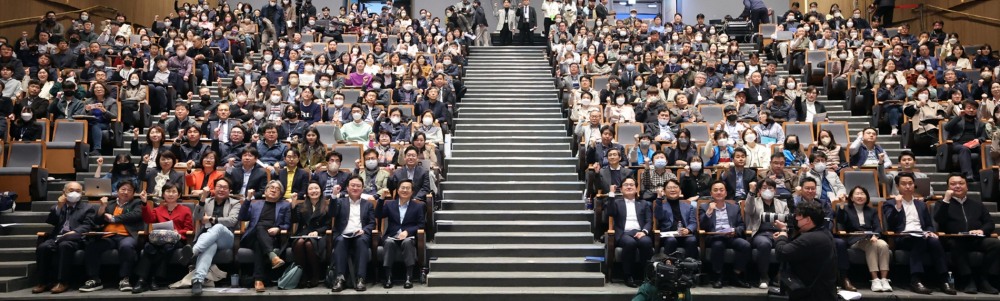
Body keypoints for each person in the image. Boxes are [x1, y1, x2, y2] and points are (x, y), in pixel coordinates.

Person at [883, 172, 956, 295]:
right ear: (897, 186)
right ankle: (915, 280)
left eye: (910, 183)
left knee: (934, 241)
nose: (907, 186)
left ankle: (944, 280)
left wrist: (930, 232)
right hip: (902, 237)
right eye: (904, 184)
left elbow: (928, 224)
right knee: (919, 240)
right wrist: (898, 206)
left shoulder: (921, 204)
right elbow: (891, 224)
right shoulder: (889, 203)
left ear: (914, 185)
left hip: (921, 235)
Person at [934, 174, 1000, 294]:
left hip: (976, 239)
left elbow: (990, 223)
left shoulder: (977, 204)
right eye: (953, 184)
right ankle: (967, 279)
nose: (957, 186)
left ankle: (984, 279)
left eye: (961, 183)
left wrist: (982, 231)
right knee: (956, 244)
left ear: (967, 186)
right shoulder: (942, 204)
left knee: (996, 244)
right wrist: (946, 200)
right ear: (948, 188)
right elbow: (939, 220)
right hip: (954, 239)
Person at [79, 182, 143, 293]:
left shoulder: (137, 203)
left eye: (129, 190)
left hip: (126, 235)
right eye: (123, 189)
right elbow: (98, 221)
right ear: (117, 191)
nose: (126, 192)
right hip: (108, 236)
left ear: (133, 193)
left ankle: (125, 279)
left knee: (126, 246)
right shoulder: (110, 204)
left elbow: (135, 215)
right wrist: (102, 207)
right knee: (92, 246)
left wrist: (114, 218)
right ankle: (94, 279)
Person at [32, 182, 96, 294]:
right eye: (71, 190)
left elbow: (87, 225)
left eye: (78, 191)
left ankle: (63, 282)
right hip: (57, 237)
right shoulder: (58, 207)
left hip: (76, 239)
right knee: (43, 247)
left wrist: (74, 232)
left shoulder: (88, 208)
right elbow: (51, 221)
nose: (75, 193)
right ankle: (43, 282)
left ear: (82, 193)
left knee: (65, 245)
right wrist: (59, 206)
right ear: (64, 192)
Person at [132, 184, 194, 294]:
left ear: (179, 194)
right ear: (163, 194)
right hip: (159, 239)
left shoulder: (185, 210)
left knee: (167, 247)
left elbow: (188, 229)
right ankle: (142, 280)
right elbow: (148, 219)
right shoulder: (158, 209)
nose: (170, 194)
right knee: (149, 247)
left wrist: (178, 232)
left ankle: (152, 278)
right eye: (168, 191)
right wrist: (145, 203)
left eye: (174, 191)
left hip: (176, 240)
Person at [773, 200, 838, 300]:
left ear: (807, 220)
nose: (796, 221)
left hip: (812, 294)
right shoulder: (824, 233)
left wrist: (782, 234)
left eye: (798, 219)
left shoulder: (810, 238)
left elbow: (782, 253)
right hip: (822, 291)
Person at [188, 177, 241, 295]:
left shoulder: (235, 203)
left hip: (226, 238)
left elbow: (232, 221)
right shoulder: (207, 201)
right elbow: (196, 217)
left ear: (229, 191)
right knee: (210, 245)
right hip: (208, 237)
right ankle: (198, 280)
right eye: (219, 186)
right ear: (214, 188)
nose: (221, 189)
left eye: (225, 187)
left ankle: (193, 251)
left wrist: (211, 219)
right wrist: (202, 198)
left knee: (218, 227)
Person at [237, 180, 292, 293]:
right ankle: (273, 256)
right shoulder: (255, 204)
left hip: (272, 237)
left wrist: (278, 229)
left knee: (259, 244)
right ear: (265, 191)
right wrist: (248, 199)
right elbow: (242, 217)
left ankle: (258, 280)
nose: (273, 190)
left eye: (277, 189)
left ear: (280, 194)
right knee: (259, 227)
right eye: (271, 187)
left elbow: (287, 224)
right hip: (252, 236)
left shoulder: (285, 205)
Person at [836, 186, 892, 292]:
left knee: (883, 244)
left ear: (866, 197)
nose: (860, 196)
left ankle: (884, 279)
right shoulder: (846, 209)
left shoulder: (871, 210)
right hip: (855, 240)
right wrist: (842, 205)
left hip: (871, 238)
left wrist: (876, 236)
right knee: (871, 245)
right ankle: (875, 279)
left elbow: (878, 228)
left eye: (862, 193)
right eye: (857, 194)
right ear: (851, 198)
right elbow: (840, 220)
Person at [699, 181, 751, 289]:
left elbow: (741, 225)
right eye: (715, 190)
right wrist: (709, 211)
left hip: (731, 236)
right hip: (714, 236)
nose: (719, 192)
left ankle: (736, 275)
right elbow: (703, 226)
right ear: (711, 193)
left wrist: (735, 231)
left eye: (721, 190)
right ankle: (717, 276)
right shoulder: (704, 207)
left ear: (726, 193)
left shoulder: (734, 207)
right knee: (718, 245)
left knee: (745, 245)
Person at [375, 179, 425, 289]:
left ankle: (409, 276)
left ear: (412, 192)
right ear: (397, 190)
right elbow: (378, 215)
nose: (405, 190)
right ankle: (388, 276)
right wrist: (382, 198)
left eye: (408, 188)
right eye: (402, 188)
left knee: (407, 242)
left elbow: (421, 225)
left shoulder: (418, 206)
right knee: (388, 242)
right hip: (392, 236)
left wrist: (408, 231)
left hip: (408, 237)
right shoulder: (390, 204)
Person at [330, 176, 377, 292]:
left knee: (362, 241)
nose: (355, 188)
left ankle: (361, 278)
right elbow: (332, 213)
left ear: (362, 189)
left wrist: (364, 230)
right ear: (347, 188)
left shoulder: (368, 204)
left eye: (358, 186)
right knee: (340, 241)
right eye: (352, 185)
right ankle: (339, 278)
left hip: (360, 234)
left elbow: (372, 223)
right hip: (343, 234)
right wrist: (334, 196)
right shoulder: (340, 202)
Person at [605, 177, 653, 288]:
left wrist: (644, 232)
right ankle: (628, 275)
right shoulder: (617, 202)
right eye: (626, 185)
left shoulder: (644, 203)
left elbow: (648, 220)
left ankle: (647, 276)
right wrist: (611, 194)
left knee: (646, 242)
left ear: (636, 189)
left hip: (640, 232)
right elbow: (610, 212)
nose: (629, 187)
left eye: (632, 185)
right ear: (621, 189)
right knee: (630, 243)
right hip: (624, 233)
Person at [743, 179, 787, 289]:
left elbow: (787, 220)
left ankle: (780, 275)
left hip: (778, 232)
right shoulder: (755, 201)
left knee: (788, 246)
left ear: (775, 190)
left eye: (770, 188)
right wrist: (751, 192)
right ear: (759, 190)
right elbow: (748, 210)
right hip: (761, 234)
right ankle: (763, 276)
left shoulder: (782, 204)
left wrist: (781, 227)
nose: (767, 190)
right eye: (764, 188)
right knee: (764, 244)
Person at [291, 181, 332, 288]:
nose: (314, 191)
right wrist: (293, 205)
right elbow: (295, 221)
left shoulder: (326, 206)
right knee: (300, 242)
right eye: (311, 189)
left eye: (316, 188)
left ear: (321, 191)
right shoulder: (301, 206)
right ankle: (302, 275)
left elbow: (328, 226)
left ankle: (315, 274)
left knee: (309, 244)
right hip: (303, 233)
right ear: (307, 193)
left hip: (320, 235)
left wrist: (317, 231)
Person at [943, 101, 987, 181]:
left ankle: (983, 175)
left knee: (984, 149)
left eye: (974, 109)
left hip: (973, 145)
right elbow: (946, 128)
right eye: (969, 108)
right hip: (957, 144)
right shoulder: (956, 119)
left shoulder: (980, 123)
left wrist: (978, 140)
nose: (971, 110)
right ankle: (967, 175)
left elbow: (984, 137)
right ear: (964, 109)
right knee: (964, 149)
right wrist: (959, 117)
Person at [654, 179, 697, 259]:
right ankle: (668, 268)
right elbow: (658, 216)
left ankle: (691, 267)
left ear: (680, 191)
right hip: (668, 236)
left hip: (685, 235)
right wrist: (659, 198)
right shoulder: (661, 206)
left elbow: (693, 222)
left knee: (692, 240)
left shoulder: (688, 206)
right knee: (671, 240)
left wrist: (688, 230)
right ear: (664, 191)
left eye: (675, 187)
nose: (673, 190)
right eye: (669, 188)